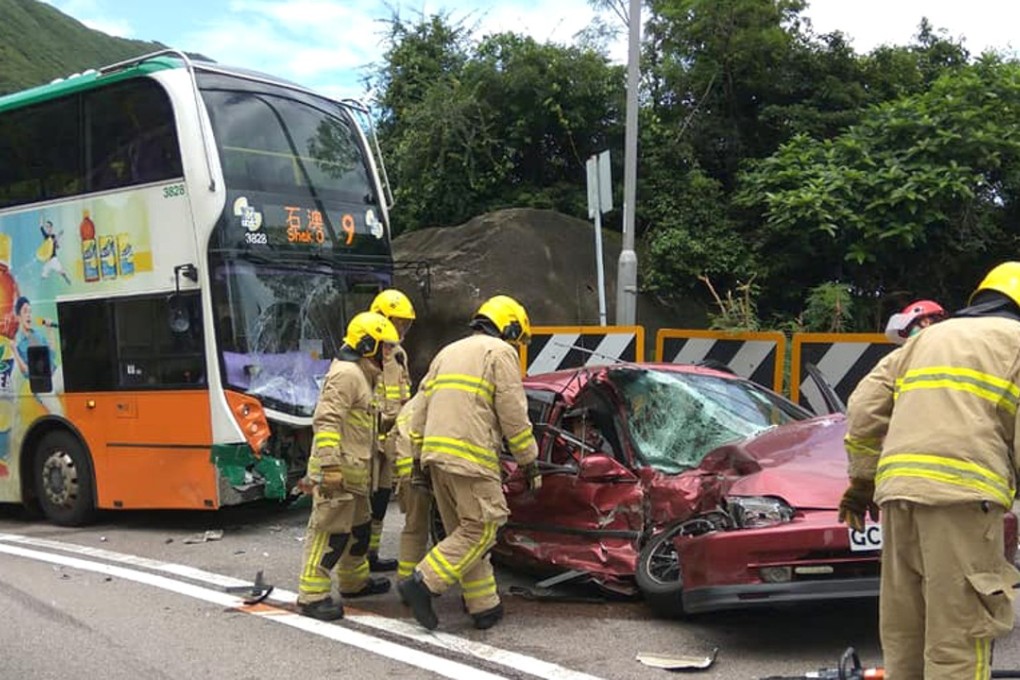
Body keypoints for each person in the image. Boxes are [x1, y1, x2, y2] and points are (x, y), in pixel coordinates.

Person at [841, 262, 1020, 679]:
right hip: (963, 503)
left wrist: (862, 481)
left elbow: (864, 408)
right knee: (957, 641)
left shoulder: (927, 338)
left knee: (905, 640)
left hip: (898, 500)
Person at [398, 295, 541, 631]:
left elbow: (420, 407)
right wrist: (529, 461)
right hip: (471, 455)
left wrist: (416, 459)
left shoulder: (448, 352)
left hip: (437, 457)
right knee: (483, 527)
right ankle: (423, 583)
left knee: (463, 532)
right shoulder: (499, 352)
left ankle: (483, 606)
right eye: (514, 336)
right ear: (507, 327)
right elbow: (513, 413)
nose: (513, 344)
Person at [294, 311, 399, 621]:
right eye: (385, 347)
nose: (389, 353)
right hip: (338, 473)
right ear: (368, 344)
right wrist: (328, 467)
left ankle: (354, 582)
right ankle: (312, 596)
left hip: (355, 474)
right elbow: (326, 420)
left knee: (359, 531)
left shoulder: (362, 374)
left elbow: (361, 422)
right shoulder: (347, 374)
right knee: (329, 533)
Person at [366, 288, 416, 572]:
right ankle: (357, 558)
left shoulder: (398, 354)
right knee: (365, 501)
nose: (401, 329)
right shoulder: (366, 351)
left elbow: (404, 391)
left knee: (383, 497)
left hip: (393, 435)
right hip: (370, 436)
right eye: (398, 322)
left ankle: (371, 554)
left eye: (404, 323)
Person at [392, 391, 430, 583]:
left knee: (414, 528)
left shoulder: (408, 407)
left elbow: (392, 440)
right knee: (460, 531)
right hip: (423, 471)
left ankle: (406, 581)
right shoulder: (436, 400)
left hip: (407, 473)